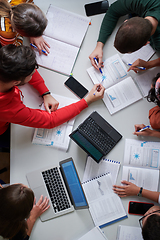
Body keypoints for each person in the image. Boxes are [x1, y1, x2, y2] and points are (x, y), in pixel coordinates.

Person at [0, 44, 105, 136]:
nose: (34, 74)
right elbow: (50, 121)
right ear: (16, 82)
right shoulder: (8, 110)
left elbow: (25, 67)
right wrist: (88, 100)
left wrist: (45, 93)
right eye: (31, 75)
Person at [89, 0, 160, 70]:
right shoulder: (142, 2)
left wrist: (149, 64)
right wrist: (99, 46)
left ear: (146, 44)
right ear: (126, 21)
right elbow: (113, 10)